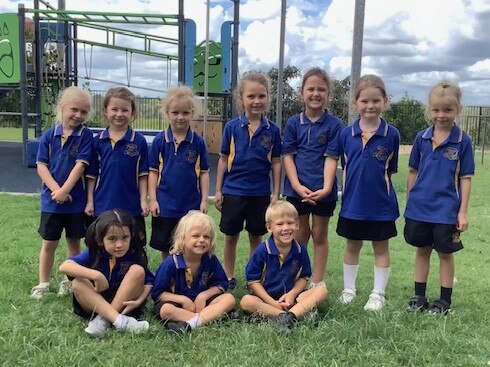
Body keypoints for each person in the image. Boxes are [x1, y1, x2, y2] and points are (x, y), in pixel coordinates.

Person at [404, 80, 474, 315]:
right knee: (422, 250)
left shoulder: (463, 141)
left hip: (446, 210)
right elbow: (413, 171)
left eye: (447, 110)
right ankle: (419, 297)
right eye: (436, 110)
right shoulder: (421, 138)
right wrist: (410, 200)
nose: (441, 115)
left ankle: (444, 301)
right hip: (419, 209)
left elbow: (465, 177)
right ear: (429, 109)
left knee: (445, 253)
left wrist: (462, 211)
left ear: (458, 109)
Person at [335, 74, 400, 311]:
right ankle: (348, 289)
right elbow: (344, 165)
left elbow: (390, 171)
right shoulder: (345, 134)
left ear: (385, 101)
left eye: (376, 100)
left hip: (381, 205)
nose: (370, 106)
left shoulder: (391, 134)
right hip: (352, 204)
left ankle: (378, 293)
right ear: (355, 103)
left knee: (381, 247)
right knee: (352, 245)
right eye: (364, 101)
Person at [214, 71, 282, 290]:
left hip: (260, 193)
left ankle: (254, 276)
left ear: (268, 98)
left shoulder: (273, 130)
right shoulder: (232, 127)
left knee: (256, 236)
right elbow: (223, 160)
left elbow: (277, 162)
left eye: (261, 96)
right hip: (233, 191)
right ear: (240, 99)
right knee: (231, 236)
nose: (256, 101)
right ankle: (228, 276)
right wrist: (218, 190)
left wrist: (276, 193)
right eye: (251, 96)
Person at [282, 67, 343, 288]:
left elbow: (332, 158)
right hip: (296, 190)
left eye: (321, 89)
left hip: (322, 191)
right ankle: (299, 278)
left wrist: (327, 188)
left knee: (319, 234)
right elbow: (287, 156)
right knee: (299, 234)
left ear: (328, 94)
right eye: (311, 89)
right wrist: (297, 186)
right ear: (302, 92)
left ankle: (317, 281)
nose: (315, 94)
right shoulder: (292, 123)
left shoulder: (335, 125)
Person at [31, 86, 93, 299]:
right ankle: (43, 282)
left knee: (74, 241)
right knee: (49, 243)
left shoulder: (86, 136)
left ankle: (68, 280)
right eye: (74, 109)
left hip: (75, 202)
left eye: (84, 112)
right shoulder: (49, 136)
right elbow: (41, 166)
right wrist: (57, 191)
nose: (78, 115)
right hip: (52, 202)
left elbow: (80, 165)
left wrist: (66, 190)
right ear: (62, 108)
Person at [59, 209, 153, 337]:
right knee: (77, 281)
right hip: (94, 302)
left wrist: (139, 300)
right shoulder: (94, 253)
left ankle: (105, 320)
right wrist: (96, 275)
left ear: (131, 236)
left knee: (138, 270)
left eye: (125, 238)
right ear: (100, 240)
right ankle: (120, 321)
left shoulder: (134, 253)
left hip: (123, 302)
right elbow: (65, 266)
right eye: (112, 239)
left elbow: (149, 281)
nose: (119, 244)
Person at [240, 201, 328, 331]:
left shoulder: (300, 250)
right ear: (269, 227)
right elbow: (253, 282)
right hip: (266, 299)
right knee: (246, 302)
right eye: (280, 224)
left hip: (291, 299)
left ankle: (289, 316)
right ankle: (287, 315)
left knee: (322, 290)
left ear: (297, 225)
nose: (286, 228)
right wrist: (272, 302)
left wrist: (292, 294)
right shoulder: (262, 250)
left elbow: (304, 277)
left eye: (290, 223)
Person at [148, 86, 210, 260]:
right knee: (166, 247)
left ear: (192, 113)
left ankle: (187, 277)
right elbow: (153, 172)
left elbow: (204, 173)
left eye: (185, 113)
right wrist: (153, 199)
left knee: (189, 244)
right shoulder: (160, 140)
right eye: (175, 112)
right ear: (167, 113)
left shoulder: (198, 142)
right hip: (165, 206)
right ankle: (169, 277)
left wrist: (204, 200)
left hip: (190, 206)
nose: (180, 117)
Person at [151, 211, 236, 334]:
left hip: (203, 303)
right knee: (166, 310)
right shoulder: (171, 263)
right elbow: (158, 293)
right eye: (196, 236)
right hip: (178, 304)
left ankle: (188, 324)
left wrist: (204, 296)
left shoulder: (210, 259)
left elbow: (221, 284)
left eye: (206, 237)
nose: (202, 240)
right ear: (182, 238)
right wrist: (183, 300)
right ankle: (207, 318)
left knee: (229, 299)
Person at [85, 87, 149, 248]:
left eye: (125, 110)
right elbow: (92, 176)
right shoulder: (97, 141)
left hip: (131, 207)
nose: (119, 114)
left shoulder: (139, 141)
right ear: (105, 111)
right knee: (101, 247)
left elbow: (143, 175)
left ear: (132, 112)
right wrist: (90, 202)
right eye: (114, 109)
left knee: (134, 247)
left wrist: (143, 201)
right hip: (102, 206)